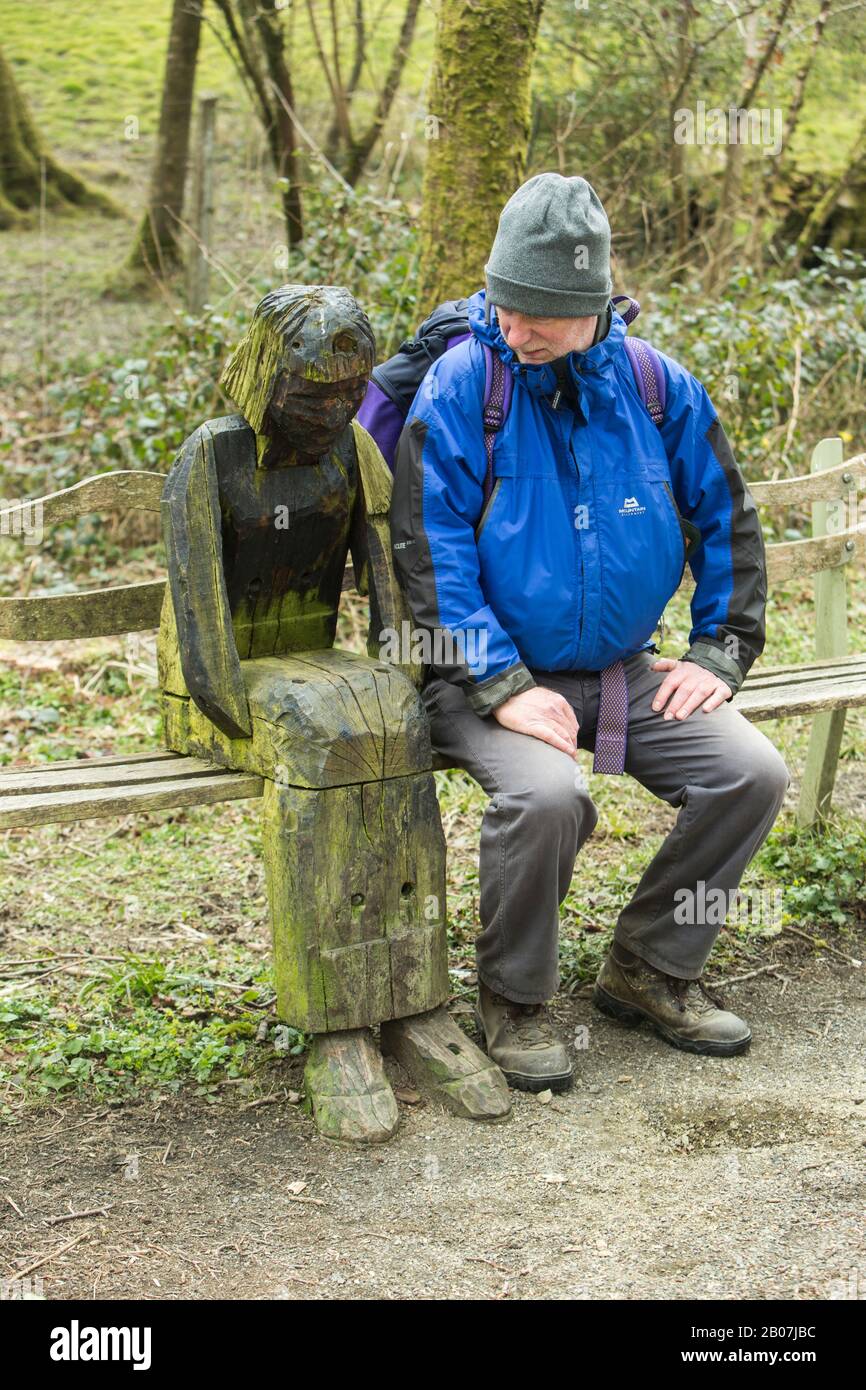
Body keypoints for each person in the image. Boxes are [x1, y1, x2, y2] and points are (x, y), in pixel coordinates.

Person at [389, 172, 790, 1094]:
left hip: (623, 670)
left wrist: (719, 649)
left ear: (593, 307)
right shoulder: (466, 384)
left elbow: (725, 517)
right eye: (502, 303)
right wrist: (501, 684)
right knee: (547, 799)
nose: (513, 326)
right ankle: (515, 1001)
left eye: (535, 313)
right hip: (479, 678)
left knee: (749, 772)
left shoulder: (656, 385)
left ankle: (648, 968)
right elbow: (428, 550)